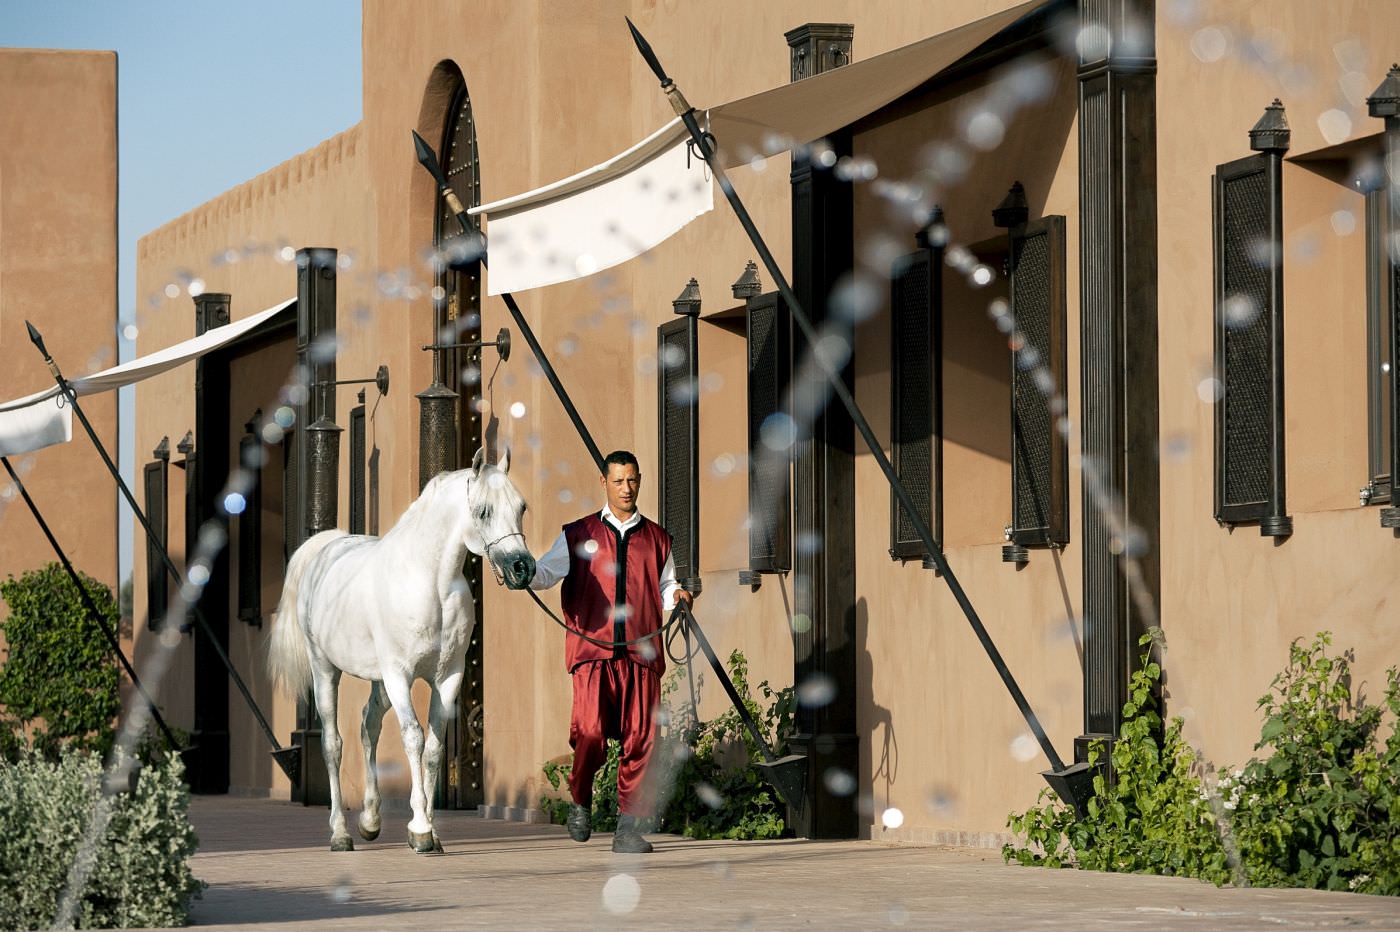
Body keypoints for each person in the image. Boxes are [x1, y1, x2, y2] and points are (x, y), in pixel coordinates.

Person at [529, 449, 694, 853]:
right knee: (589, 734)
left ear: (640, 481)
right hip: (593, 654)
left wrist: (678, 595)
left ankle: (627, 829)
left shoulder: (657, 539)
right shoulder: (577, 534)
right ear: (604, 482)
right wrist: (522, 572)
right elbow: (546, 572)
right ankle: (581, 801)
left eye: (632, 480)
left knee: (642, 739)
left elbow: (665, 588)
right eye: (618, 481)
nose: (626, 488)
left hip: (641, 656)